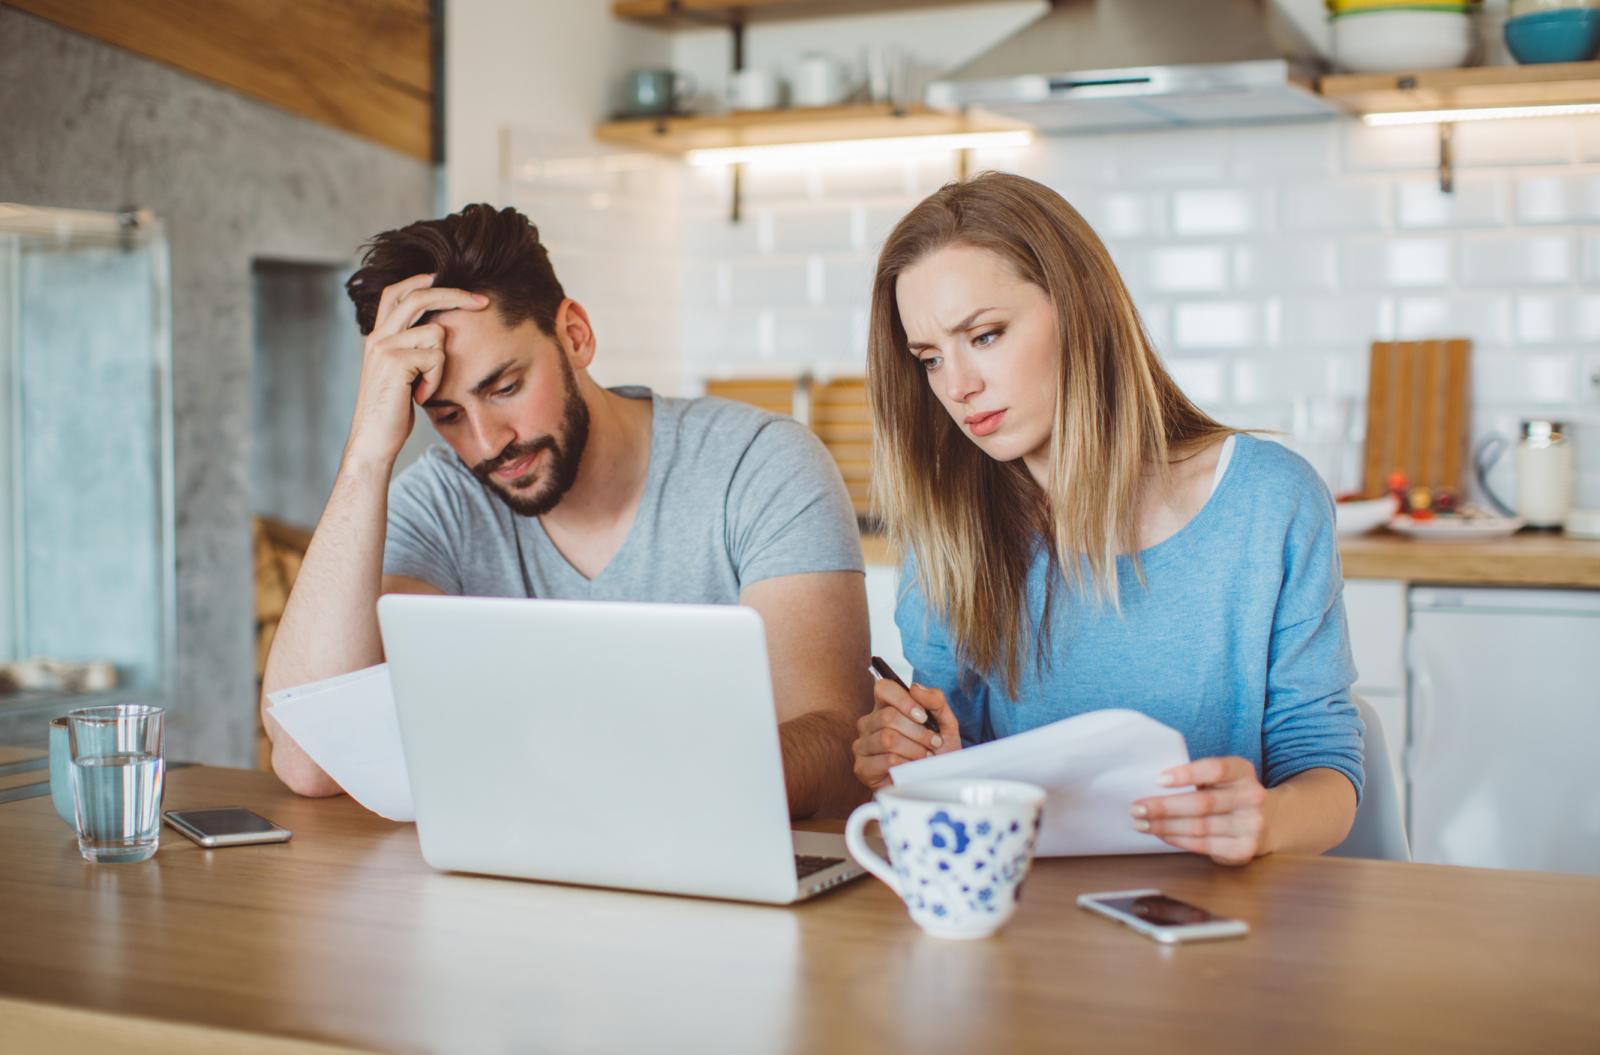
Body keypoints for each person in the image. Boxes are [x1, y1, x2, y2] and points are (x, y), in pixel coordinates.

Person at [262, 204, 871, 819]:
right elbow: (308, 761)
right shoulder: (443, 498)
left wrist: (597, 778)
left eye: (504, 388)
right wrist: (368, 452)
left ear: (574, 335)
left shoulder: (759, 465)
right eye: (447, 416)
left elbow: (835, 745)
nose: (488, 441)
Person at [851, 173, 1363, 865]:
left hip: (1221, 923)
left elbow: (1324, 765)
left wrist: (1267, 819)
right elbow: (956, 763)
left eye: (987, 335)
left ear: (1082, 309)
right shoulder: (950, 533)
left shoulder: (1269, 502)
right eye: (931, 359)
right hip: (1031, 923)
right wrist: (918, 759)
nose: (957, 386)